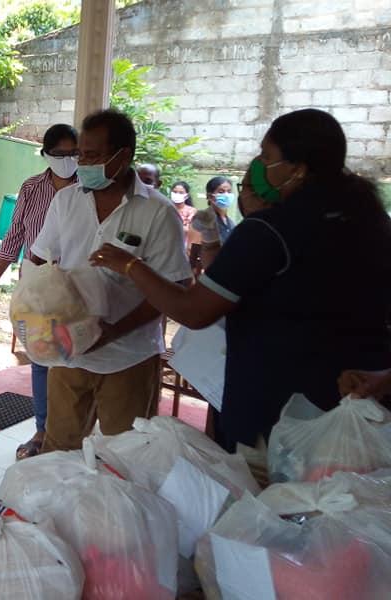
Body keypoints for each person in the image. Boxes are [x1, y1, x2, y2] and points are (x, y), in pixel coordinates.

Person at [89, 109, 391, 452]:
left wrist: (129, 265)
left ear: (299, 169)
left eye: (267, 156)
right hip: (363, 402)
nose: (260, 165)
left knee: (271, 499)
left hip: (279, 414)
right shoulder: (371, 220)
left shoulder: (271, 230)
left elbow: (194, 310)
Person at [30, 109, 191, 453]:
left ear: (124, 156)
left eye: (92, 155)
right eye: (80, 154)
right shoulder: (66, 200)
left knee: (127, 459)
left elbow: (173, 290)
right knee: (58, 451)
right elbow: (40, 259)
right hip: (70, 353)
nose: (82, 162)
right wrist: (35, 307)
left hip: (129, 356)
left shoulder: (158, 213)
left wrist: (112, 333)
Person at [0, 123, 80, 460]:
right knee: (40, 360)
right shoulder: (32, 188)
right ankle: (42, 429)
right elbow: (13, 239)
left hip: (76, 291)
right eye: (60, 154)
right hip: (36, 289)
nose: (68, 160)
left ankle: (69, 435)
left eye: (73, 153)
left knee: (72, 361)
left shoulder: (89, 189)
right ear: (46, 155)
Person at [191, 176, 236, 270]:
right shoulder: (203, 218)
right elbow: (195, 248)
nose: (226, 195)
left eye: (229, 191)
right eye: (221, 192)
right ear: (210, 196)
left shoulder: (230, 223)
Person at [169, 180, 200, 258]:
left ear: (186, 195)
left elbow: (193, 235)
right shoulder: (165, 208)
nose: (177, 194)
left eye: (181, 192)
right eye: (175, 192)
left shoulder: (192, 212)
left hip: (184, 250)